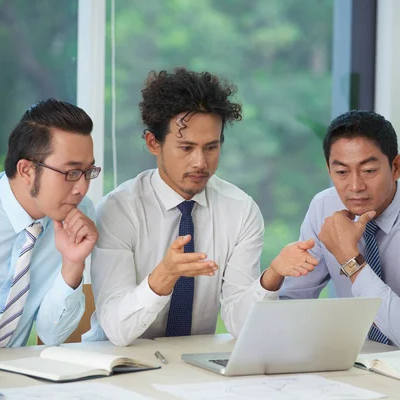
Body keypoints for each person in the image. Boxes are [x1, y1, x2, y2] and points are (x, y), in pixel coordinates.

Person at [84, 68, 318, 345]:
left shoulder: (240, 210)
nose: (200, 163)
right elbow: (116, 330)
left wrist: (272, 276)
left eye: (211, 147)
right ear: (152, 143)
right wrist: (164, 276)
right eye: (186, 148)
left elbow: (240, 326)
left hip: (193, 368)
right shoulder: (118, 210)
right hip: (115, 365)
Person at [280, 110, 400, 355]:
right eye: (341, 172)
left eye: (369, 171)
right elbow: (291, 304)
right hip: (355, 369)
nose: (355, 186)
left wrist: (350, 260)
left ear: (396, 167)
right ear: (329, 170)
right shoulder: (324, 208)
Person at [0, 99, 100, 358]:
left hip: (10, 376)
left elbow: (52, 335)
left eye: (89, 172)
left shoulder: (78, 214)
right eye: (71, 172)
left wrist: (73, 263)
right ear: (26, 170)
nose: (81, 188)